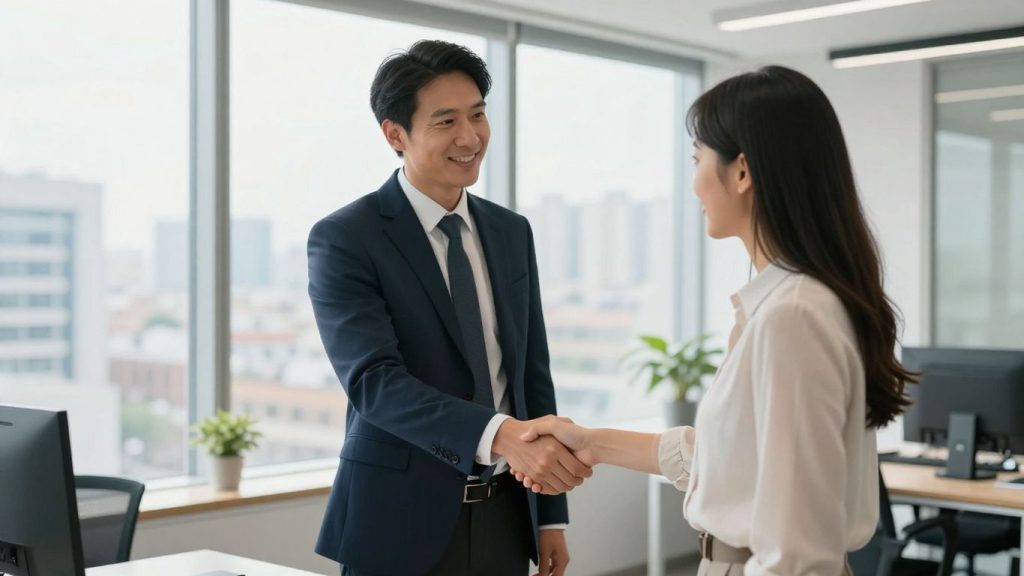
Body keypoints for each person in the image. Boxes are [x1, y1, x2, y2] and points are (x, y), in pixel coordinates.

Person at [512, 65, 916, 575]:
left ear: (742, 172)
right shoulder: (789, 304)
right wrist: (592, 443)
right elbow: (733, 461)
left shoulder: (793, 316)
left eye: (698, 158)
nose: (695, 181)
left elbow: (798, 553)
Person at [307, 40, 590, 576]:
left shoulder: (511, 231)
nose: (470, 137)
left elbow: (532, 373)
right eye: (445, 121)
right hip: (396, 521)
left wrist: (550, 514)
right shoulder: (347, 237)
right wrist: (498, 433)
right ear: (396, 134)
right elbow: (374, 383)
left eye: (478, 114)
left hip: (507, 514)